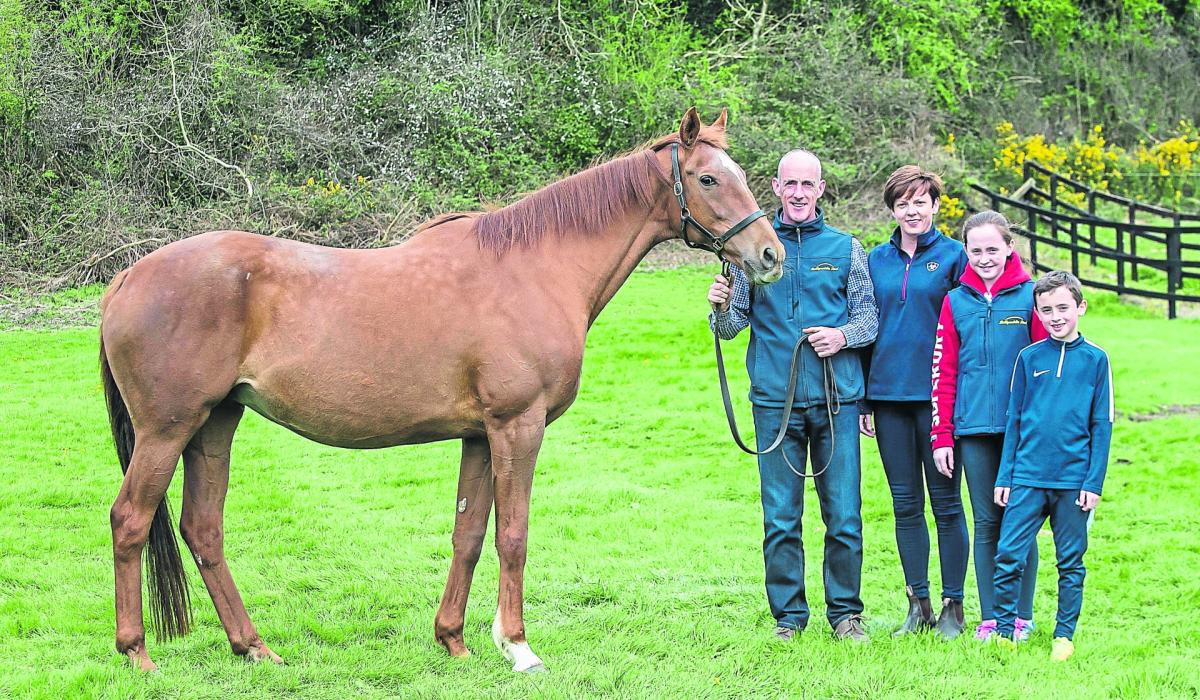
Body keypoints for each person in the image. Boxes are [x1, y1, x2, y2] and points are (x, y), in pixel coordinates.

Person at [707, 149, 878, 642]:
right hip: (774, 401)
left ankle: (846, 613)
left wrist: (842, 336)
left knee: (843, 514)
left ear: (820, 190)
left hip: (835, 400)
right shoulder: (755, 246)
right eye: (790, 184)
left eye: (808, 184)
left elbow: (869, 318)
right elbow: (733, 324)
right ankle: (789, 617)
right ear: (777, 190)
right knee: (781, 516)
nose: (799, 193)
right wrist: (719, 307)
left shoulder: (847, 249)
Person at [860, 165, 970, 638]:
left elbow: (967, 324)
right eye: (902, 203)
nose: (912, 210)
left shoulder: (955, 257)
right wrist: (864, 400)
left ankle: (953, 606)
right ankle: (917, 604)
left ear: (936, 205)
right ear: (892, 209)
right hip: (886, 399)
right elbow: (864, 327)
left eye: (920, 201)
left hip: (937, 402)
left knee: (946, 505)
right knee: (905, 505)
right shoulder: (873, 260)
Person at [930, 211, 1048, 641]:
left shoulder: (1030, 296)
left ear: (1009, 248)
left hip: (1023, 435)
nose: (984, 258)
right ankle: (993, 618)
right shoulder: (955, 301)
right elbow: (944, 371)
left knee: (1020, 520)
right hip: (974, 431)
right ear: (966, 251)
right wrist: (942, 434)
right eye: (975, 250)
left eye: (992, 249)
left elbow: (1044, 367)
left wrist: (1041, 430)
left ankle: (1022, 615)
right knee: (986, 523)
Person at [993, 270, 1113, 661]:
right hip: (1027, 477)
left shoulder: (1097, 360)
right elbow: (1014, 419)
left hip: (1073, 481)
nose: (1055, 316)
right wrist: (1005, 475)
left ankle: (1064, 635)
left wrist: (1093, 483)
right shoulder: (1029, 358)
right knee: (1009, 555)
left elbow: (1102, 424)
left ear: (1080, 307)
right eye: (1046, 310)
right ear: (1038, 313)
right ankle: (1006, 631)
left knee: (1070, 561)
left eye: (1063, 307)